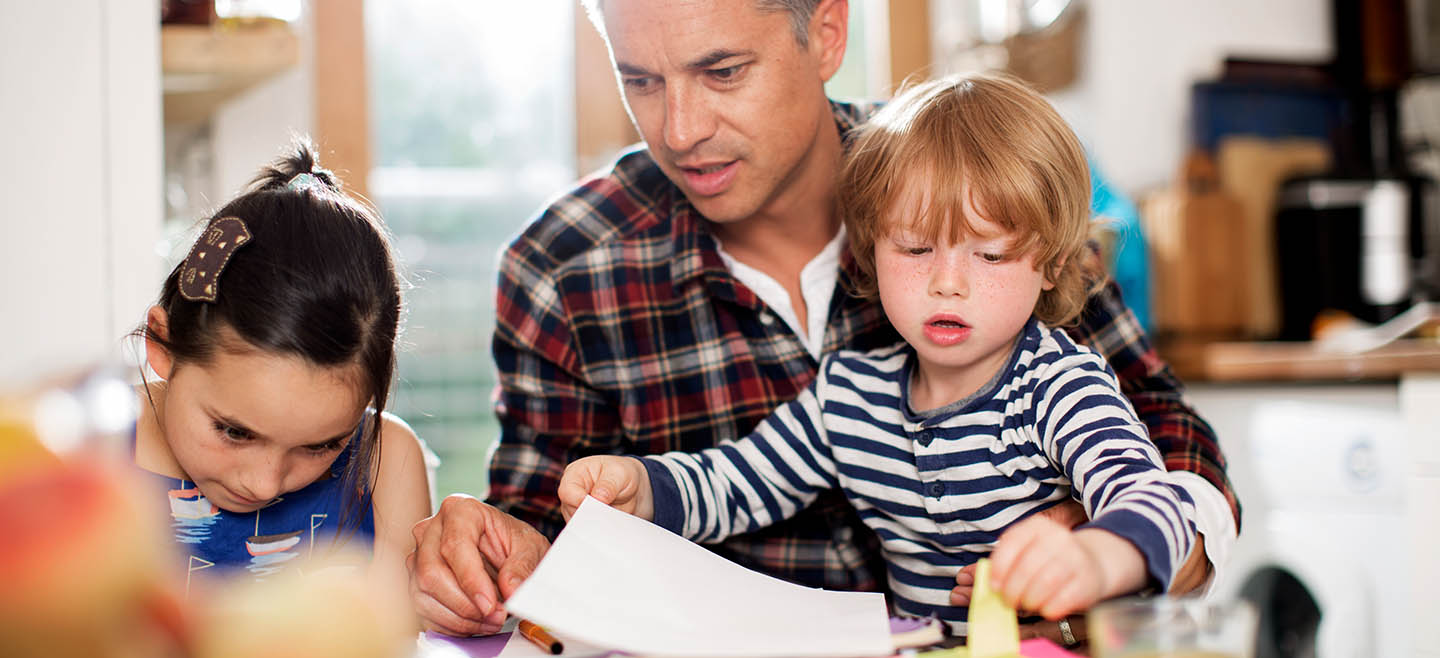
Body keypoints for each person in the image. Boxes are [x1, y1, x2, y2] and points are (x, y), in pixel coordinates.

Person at [408, 0, 1239, 643]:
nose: (681, 130)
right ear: (879, 244)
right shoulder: (562, 267)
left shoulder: (986, 190)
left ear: (829, 32)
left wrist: (1103, 552)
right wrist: (510, 550)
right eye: (641, 81)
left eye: (724, 71)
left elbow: (1169, 449)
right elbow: (693, 491)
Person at [557, 73, 1198, 632]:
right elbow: (738, 484)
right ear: (868, 255)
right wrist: (640, 489)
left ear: (1054, 265)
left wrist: (1096, 556)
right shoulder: (848, 397)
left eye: (991, 254)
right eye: (916, 249)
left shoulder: (1061, 387)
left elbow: (1154, 500)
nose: (949, 281)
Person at [133, 141, 432, 592]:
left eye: (323, 445)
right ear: (163, 343)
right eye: (234, 432)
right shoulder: (87, 454)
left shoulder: (387, 464)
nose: (264, 484)